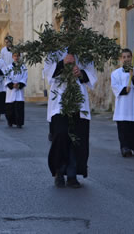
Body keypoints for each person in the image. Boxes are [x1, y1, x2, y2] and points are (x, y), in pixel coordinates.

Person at [43, 51, 97, 188]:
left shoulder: (84, 52)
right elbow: (48, 73)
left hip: (78, 102)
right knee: (61, 134)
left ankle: (72, 174)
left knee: (76, 137)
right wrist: (63, 63)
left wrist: (81, 73)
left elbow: (92, 75)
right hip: (59, 101)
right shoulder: (54, 51)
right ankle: (59, 172)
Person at [110, 48, 134, 157]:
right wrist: (124, 89)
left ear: (131, 58)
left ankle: (133, 147)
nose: (126, 59)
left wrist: (132, 77)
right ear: (121, 59)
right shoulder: (115, 73)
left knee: (133, 128)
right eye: (124, 57)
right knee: (123, 128)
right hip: (122, 106)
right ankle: (124, 148)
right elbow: (114, 86)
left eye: (128, 57)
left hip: (133, 105)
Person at [4, 50, 28, 128]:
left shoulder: (23, 67)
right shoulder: (9, 67)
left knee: (19, 107)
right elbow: (6, 77)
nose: (16, 57)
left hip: (19, 89)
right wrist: (11, 84)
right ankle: (10, 121)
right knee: (10, 108)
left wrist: (19, 84)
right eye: (14, 56)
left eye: (17, 56)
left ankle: (19, 122)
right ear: (12, 57)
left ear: (19, 57)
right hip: (11, 90)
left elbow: (25, 77)